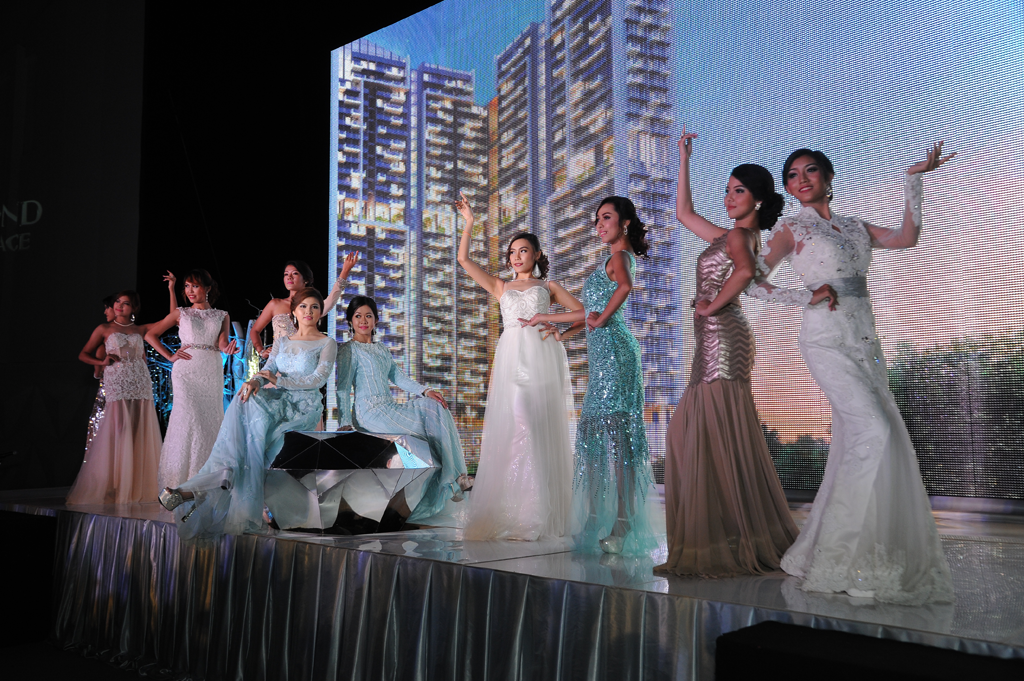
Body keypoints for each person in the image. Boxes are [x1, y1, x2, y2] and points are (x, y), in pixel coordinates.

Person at [744, 143, 956, 604]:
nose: (801, 179)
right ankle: (839, 556)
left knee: (865, 438)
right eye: (792, 174)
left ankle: (838, 550)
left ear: (828, 177)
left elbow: (906, 237)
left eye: (810, 170)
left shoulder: (856, 226)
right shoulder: (791, 228)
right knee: (873, 430)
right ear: (788, 189)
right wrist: (805, 296)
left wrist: (914, 178)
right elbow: (751, 282)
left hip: (865, 341)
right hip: (824, 339)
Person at [655, 127, 798, 577]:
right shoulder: (729, 234)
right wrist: (684, 158)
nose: (729, 197)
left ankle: (724, 541)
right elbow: (683, 213)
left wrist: (710, 305)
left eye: (738, 191)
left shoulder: (740, 237)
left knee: (704, 433)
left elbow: (744, 273)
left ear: (757, 199)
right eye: (728, 189)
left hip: (723, 335)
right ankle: (727, 536)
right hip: (716, 337)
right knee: (702, 434)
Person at [524, 196, 658, 556]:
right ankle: (600, 519)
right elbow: (591, 315)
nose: (599, 225)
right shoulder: (610, 259)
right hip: (605, 357)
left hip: (617, 355)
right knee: (595, 437)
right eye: (597, 219)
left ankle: (621, 524)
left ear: (624, 222)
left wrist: (598, 318)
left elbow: (623, 290)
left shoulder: (621, 257)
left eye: (606, 218)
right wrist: (561, 330)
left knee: (619, 442)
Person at [158, 288, 337, 541]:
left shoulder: (327, 343)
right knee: (245, 399)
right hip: (279, 400)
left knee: (256, 442)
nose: (309, 311)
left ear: (320, 312)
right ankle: (209, 488)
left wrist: (278, 380)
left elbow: (318, 379)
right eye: (303, 306)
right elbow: (267, 370)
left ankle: (198, 490)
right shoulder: (283, 342)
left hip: (303, 407)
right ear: (293, 312)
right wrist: (254, 381)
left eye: (315, 307)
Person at [453, 192, 581, 541]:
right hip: (512, 360)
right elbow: (463, 260)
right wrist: (469, 222)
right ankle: (516, 512)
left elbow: (584, 313)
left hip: (541, 361)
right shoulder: (501, 286)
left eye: (523, 250)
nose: (516, 256)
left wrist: (560, 331)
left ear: (537, 254)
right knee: (515, 428)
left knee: (534, 427)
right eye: (512, 252)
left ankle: (535, 515)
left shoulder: (548, 286)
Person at [335, 295, 470, 523]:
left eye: (368, 316)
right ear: (350, 321)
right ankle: (454, 479)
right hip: (369, 412)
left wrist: (425, 391)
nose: (363, 320)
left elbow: (398, 377)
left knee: (434, 407)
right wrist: (344, 422)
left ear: (376, 320)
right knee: (429, 424)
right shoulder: (348, 350)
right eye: (358, 316)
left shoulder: (381, 349)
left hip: (389, 407)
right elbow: (342, 388)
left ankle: (457, 477)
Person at [145, 269, 240, 489]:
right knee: (189, 418)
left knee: (209, 420)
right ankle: (179, 480)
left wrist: (228, 348)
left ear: (208, 288)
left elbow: (221, 343)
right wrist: (170, 356)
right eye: (186, 286)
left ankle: (206, 479)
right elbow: (150, 334)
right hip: (186, 372)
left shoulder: (222, 315)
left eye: (195, 286)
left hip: (211, 371)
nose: (189, 291)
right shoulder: (181, 313)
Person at [67, 291, 163, 505]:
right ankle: (115, 486)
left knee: (139, 432)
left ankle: (136, 486)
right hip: (117, 382)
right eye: (117, 302)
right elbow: (83, 354)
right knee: (119, 430)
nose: (119, 306)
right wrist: (101, 363)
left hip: (140, 382)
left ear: (134, 308)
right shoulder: (104, 329)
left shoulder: (141, 329)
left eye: (126, 303)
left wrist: (171, 289)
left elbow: (171, 317)